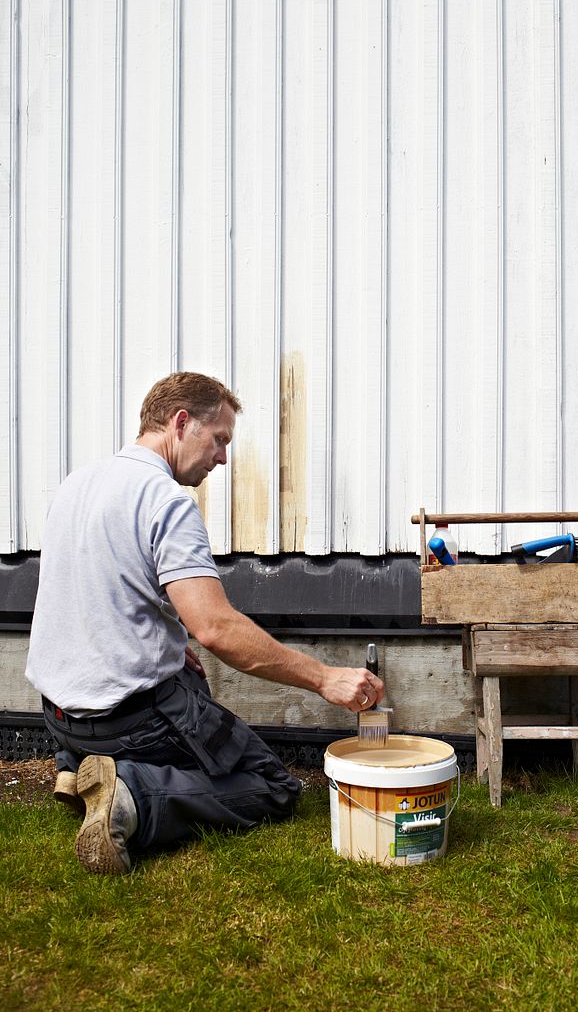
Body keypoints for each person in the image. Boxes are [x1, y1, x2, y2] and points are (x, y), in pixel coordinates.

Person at [26, 372, 384, 874]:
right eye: (219, 439)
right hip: (127, 722)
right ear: (180, 422)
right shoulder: (166, 501)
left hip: (59, 716)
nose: (222, 457)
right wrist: (326, 678)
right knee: (271, 785)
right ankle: (131, 795)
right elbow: (216, 628)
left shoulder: (77, 484)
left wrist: (166, 643)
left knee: (186, 677)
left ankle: (76, 769)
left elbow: (91, 593)